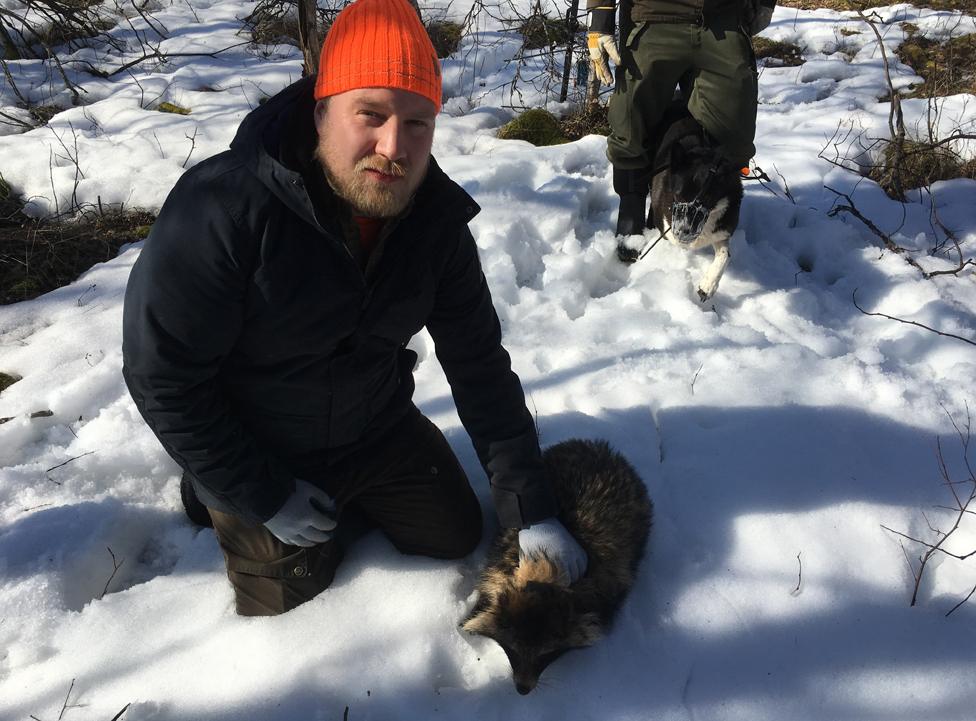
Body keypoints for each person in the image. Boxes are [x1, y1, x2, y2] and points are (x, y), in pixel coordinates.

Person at [122, 0, 586, 617]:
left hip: (372, 425)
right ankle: (207, 490)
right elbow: (164, 376)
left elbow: (479, 366)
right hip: (260, 444)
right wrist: (261, 493)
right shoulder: (222, 208)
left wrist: (533, 511)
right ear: (321, 112)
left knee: (455, 537)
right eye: (370, 113)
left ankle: (337, 493)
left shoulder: (435, 225)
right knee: (286, 600)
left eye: (419, 122)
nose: (393, 146)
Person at [586, 0, 775, 237]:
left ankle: (713, 220)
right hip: (651, 18)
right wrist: (600, 16)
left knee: (733, 139)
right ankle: (631, 221)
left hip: (723, 20)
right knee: (630, 125)